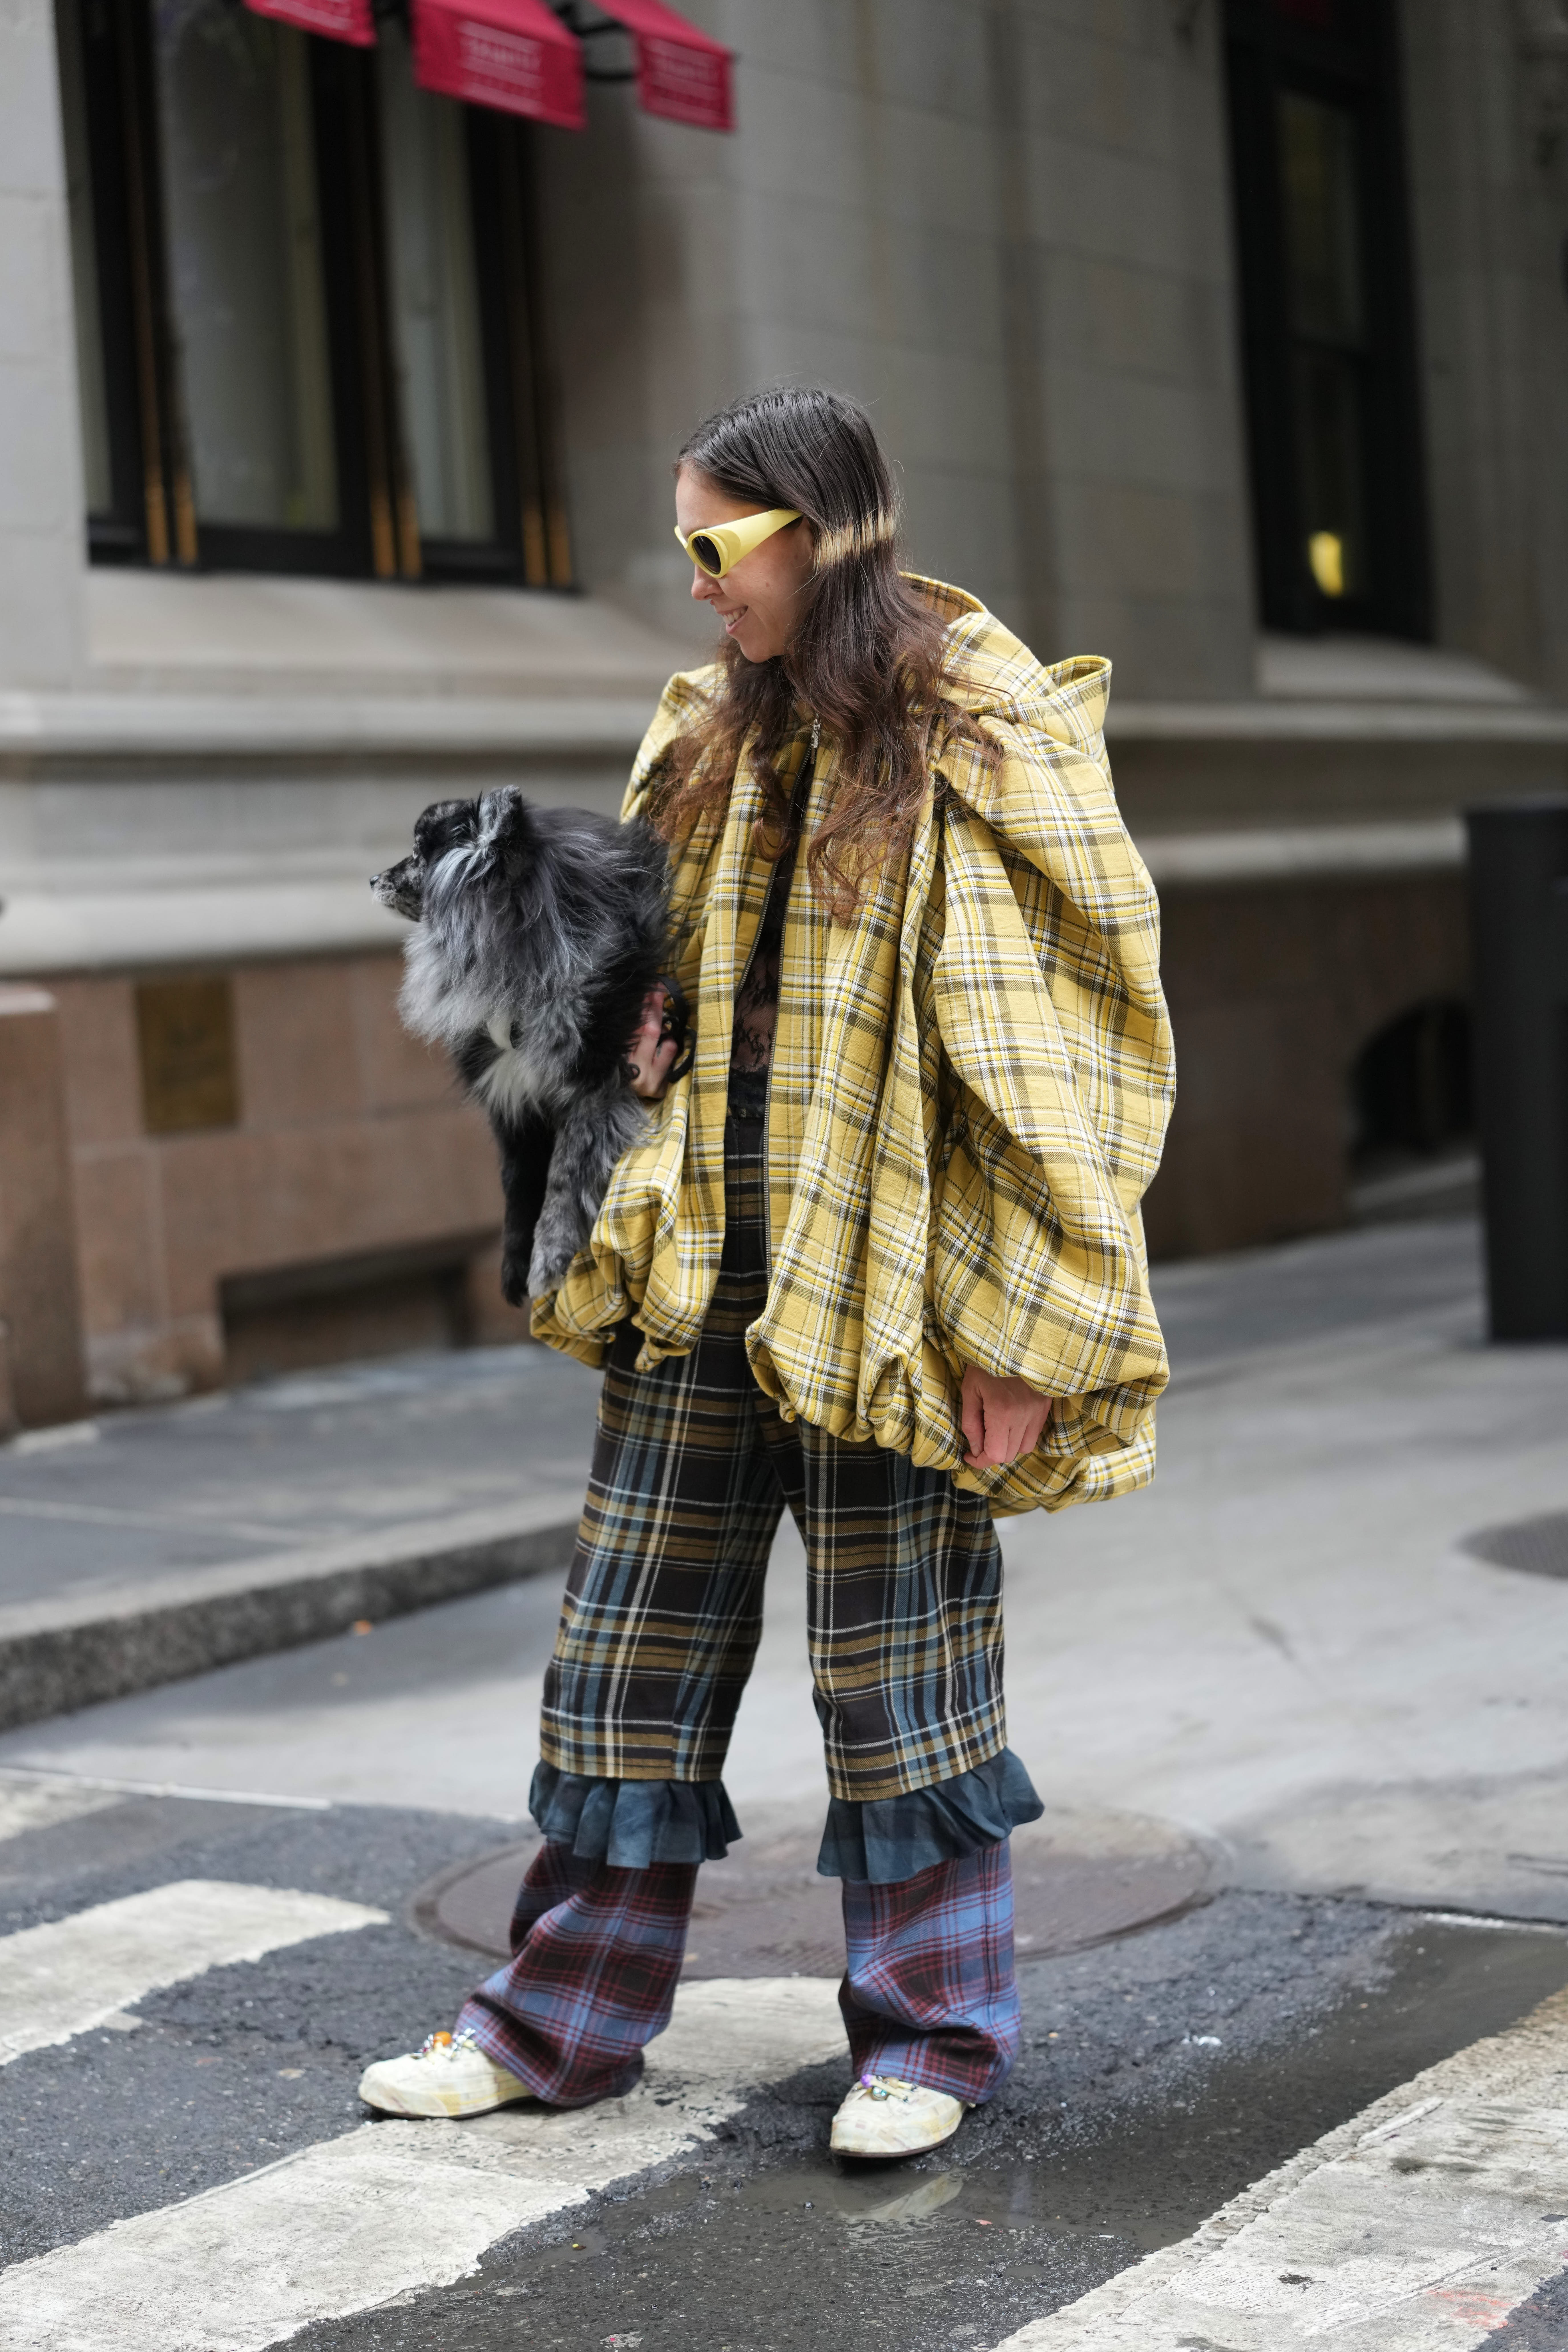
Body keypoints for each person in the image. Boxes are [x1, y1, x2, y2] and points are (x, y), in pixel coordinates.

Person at [359, 386, 1173, 2158]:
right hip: (697, 1270)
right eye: (685, 549)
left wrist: (1027, 1321)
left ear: (820, 535)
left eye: (717, 549)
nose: (698, 587)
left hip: (892, 1284)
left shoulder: (981, 734)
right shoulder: (705, 731)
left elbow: (1067, 1056)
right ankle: (556, 2023)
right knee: (621, 1661)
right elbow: (662, 963)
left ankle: (932, 2043)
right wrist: (617, 1036)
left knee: (905, 1681)